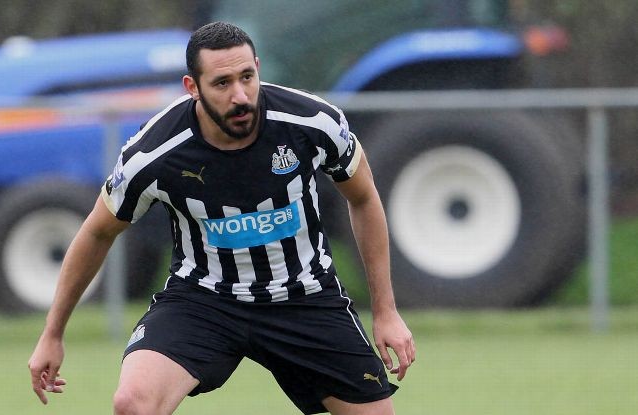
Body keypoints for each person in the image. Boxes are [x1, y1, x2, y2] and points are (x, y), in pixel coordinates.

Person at [28, 21, 415, 415]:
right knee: (133, 404)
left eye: (247, 77)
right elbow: (97, 232)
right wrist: (52, 333)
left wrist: (385, 311)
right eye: (222, 83)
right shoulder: (153, 154)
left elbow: (364, 197)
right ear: (192, 87)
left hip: (305, 296)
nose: (240, 96)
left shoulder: (313, 122)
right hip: (203, 301)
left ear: (258, 68)